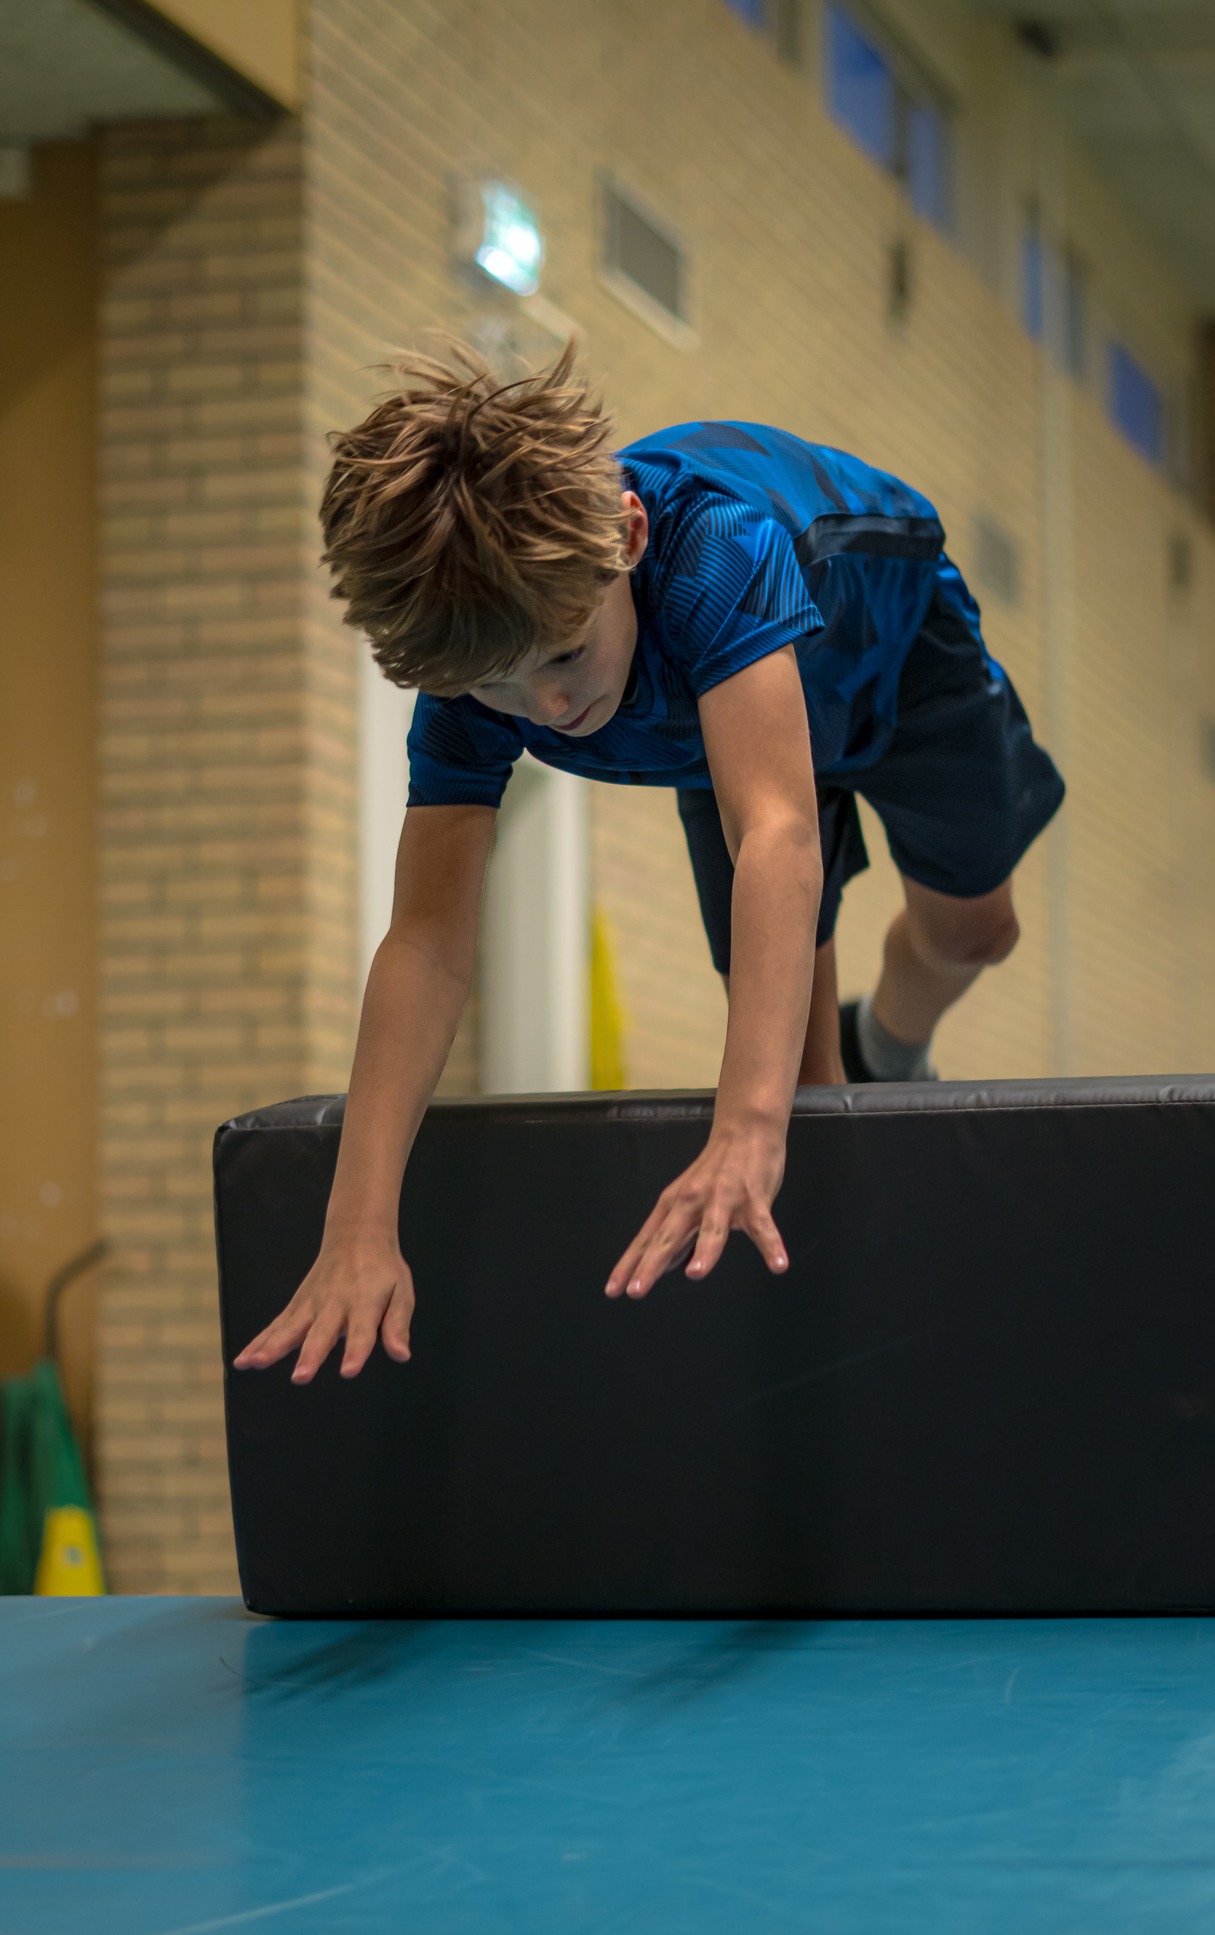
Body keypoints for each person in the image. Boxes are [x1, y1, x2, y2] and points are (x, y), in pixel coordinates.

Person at [235, 344, 1063, 1384]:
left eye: (564, 656)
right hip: (730, 728)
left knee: (974, 932)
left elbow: (775, 834)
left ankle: (890, 1038)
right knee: (810, 1091)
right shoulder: (475, 680)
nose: (547, 707)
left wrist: (742, 1124)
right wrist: (358, 1227)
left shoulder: (716, 552)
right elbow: (427, 941)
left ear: (627, 539)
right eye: (499, 690)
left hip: (890, 651)